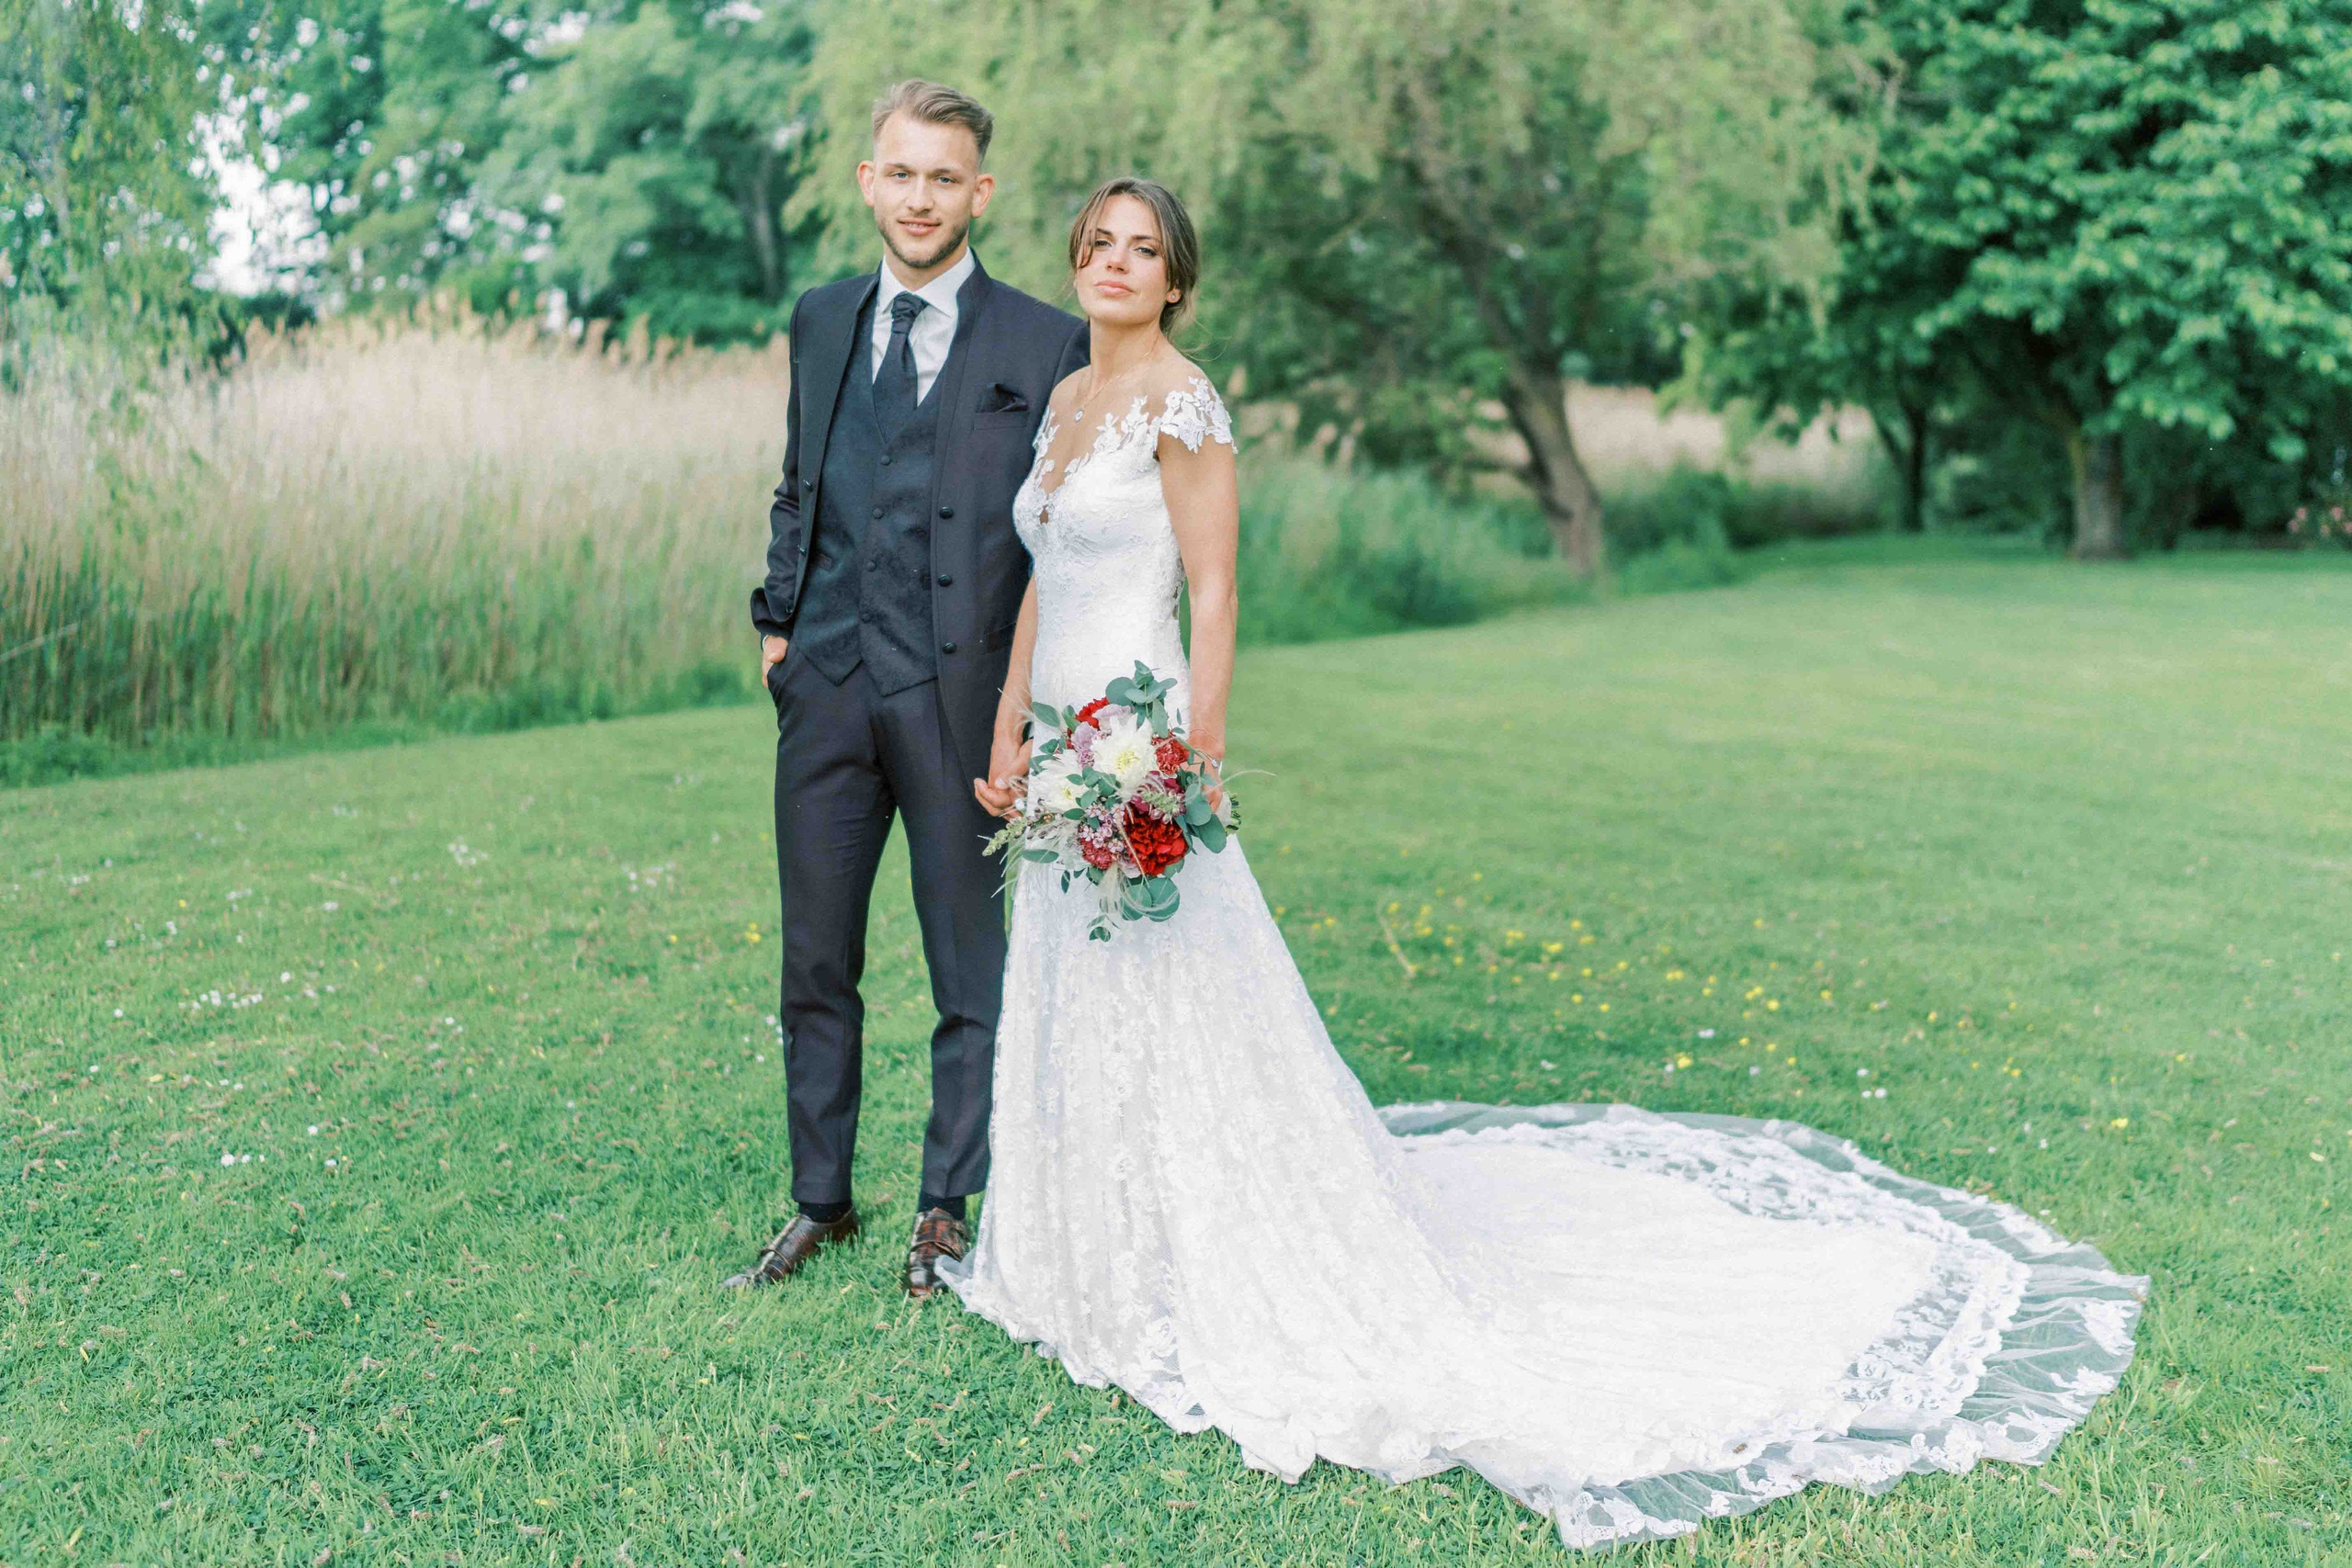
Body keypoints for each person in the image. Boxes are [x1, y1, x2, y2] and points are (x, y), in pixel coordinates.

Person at [944, 175, 2149, 1549]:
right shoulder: (1064, 403)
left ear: (1177, 279)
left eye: (1140, 250)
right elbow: (1041, 578)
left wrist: (1186, 761)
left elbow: (1213, 592)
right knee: (1080, 992)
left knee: (1179, 992)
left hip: (1142, 736)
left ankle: (1213, 1257)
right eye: (1096, 245)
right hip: (1053, 748)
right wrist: (1008, 733)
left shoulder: (1184, 404)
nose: (1111, 265)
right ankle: (1091, 1253)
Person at [727, 81, 1086, 1298]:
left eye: (947, 177)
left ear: (978, 193)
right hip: (824, 689)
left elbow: (1060, 541)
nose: (922, 196)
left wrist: (1026, 706)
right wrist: (779, 626)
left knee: (966, 973)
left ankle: (946, 1205)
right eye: (903, 173)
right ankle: (819, 1202)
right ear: (869, 181)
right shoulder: (821, 318)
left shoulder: (1044, 343)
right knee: (815, 962)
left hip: (962, 705)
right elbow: (798, 482)